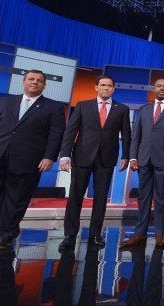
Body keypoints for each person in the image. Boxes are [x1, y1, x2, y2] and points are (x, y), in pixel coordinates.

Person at [0, 69, 65, 250]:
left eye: (39, 80)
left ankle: (7, 234)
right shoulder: (3, 102)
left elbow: (56, 134)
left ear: (44, 85)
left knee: (16, 200)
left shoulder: (53, 107)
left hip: (28, 161)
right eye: (31, 79)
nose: (34, 82)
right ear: (23, 82)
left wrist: (49, 157)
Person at [57, 75, 131, 252]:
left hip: (106, 158)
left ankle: (95, 234)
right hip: (82, 156)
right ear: (96, 87)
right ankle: (69, 235)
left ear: (114, 89)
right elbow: (71, 131)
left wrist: (126, 156)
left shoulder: (122, 109)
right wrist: (65, 155)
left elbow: (126, 135)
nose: (106, 88)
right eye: (103, 85)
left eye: (109, 86)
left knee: (100, 198)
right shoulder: (83, 105)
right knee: (75, 196)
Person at [121, 79, 164, 249]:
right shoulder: (144, 110)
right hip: (144, 160)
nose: (161, 89)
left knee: (161, 199)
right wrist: (133, 157)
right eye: (159, 86)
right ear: (154, 89)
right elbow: (137, 136)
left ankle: (159, 234)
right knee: (143, 198)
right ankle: (139, 234)